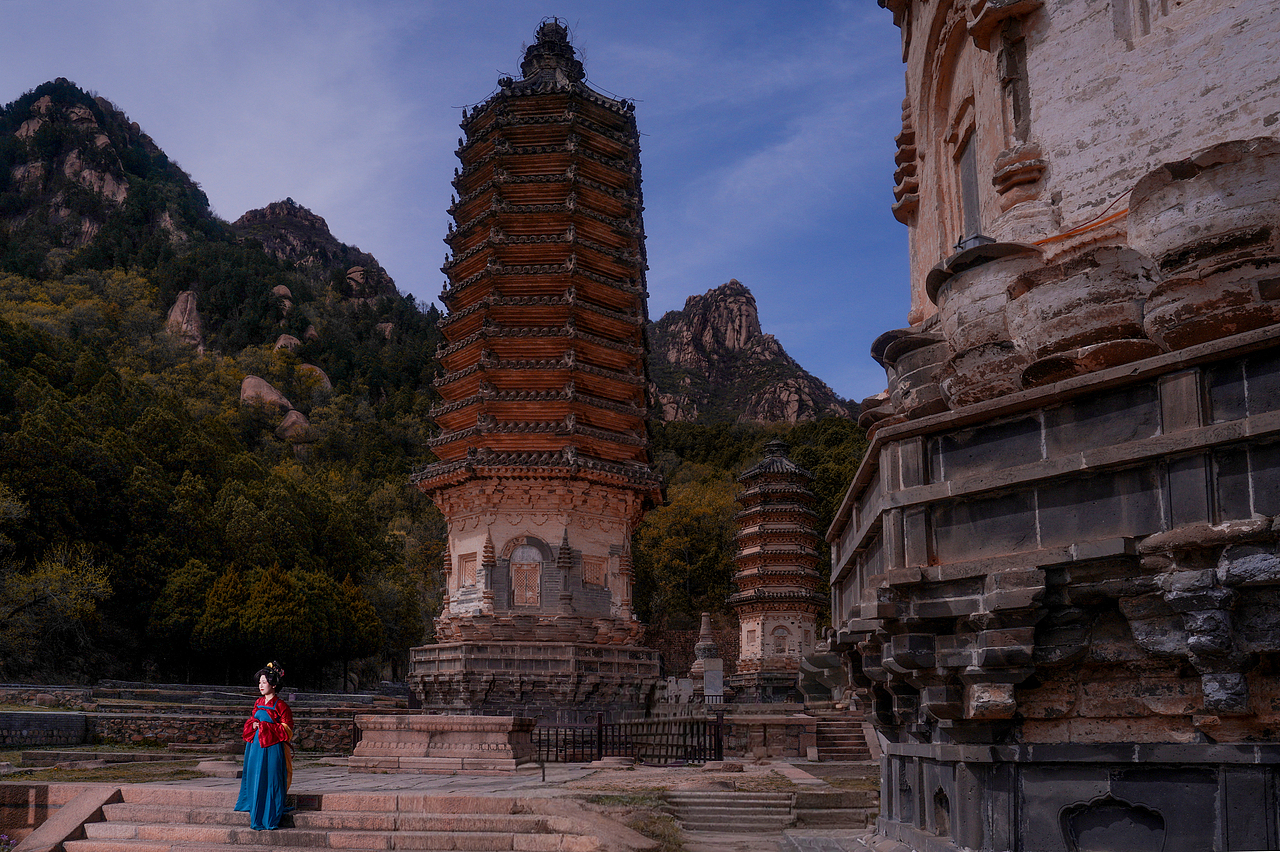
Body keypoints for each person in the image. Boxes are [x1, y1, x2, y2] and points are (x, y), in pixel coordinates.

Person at [234, 661, 293, 830]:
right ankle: (256, 812)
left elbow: (287, 730)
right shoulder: (258, 702)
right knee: (255, 778)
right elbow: (252, 720)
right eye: (260, 682)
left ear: (273, 684)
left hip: (273, 748)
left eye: (264, 682)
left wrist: (265, 727)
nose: (261, 685)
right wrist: (252, 725)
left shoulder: (281, 706)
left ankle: (270, 816)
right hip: (256, 748)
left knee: (272, 779)